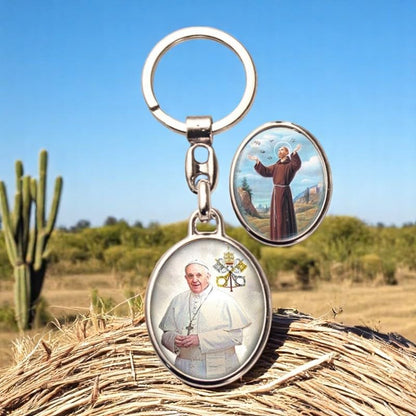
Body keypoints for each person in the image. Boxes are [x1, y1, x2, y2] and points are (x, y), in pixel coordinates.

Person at [159, 260, 251, 379]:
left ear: (208, 277)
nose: (194, 280)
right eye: (190, 276)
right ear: (186, 278)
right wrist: (173, 339)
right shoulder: (177, 300)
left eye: (199, 275)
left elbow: (236, 337)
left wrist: (200, 339)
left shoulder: (224, 300)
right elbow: (165, 335)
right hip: (183, 367)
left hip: (219, 368)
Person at [248, 144, 301, 240]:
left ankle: (285, 237)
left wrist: (294, 153)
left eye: (282, 150)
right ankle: (277, 237)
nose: (279, 152)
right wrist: (257, 161)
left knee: (284, 215)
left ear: (287, 152)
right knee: (276, 215)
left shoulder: (290, 165)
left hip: (284, 192)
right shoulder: (276, 166)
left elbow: (297, 165)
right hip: (276, 193)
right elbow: (266, 171)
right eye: (279, 150)